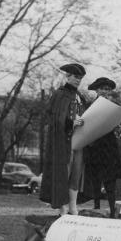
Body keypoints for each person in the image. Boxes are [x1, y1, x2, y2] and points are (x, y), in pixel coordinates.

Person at [40, 63, 88, 215]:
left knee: (76, 173)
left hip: (79, 141)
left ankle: (73, 206)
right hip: (63, 140)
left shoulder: (80, 96)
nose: (78, 80)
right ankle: (63, 208)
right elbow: (55, 118)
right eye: (75, 77)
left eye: (80, 78)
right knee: (63, 173)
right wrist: (71, 123)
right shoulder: (59, 94)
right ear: (68, 76)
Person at [83, 77, 121, 218]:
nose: (105, 92)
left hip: (109, 148)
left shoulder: (115, 106)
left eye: (107, 89)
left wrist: (119, 128)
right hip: (94, 147)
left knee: (110, 181)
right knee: (95, 179)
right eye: (102, 89)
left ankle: (113, 209)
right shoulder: (89, 106)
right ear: (96, 90)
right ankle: (96, 207)